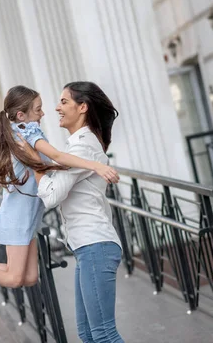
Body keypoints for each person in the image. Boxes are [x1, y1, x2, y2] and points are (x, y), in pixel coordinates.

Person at [0, 85, 119, 310]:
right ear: (21, 115)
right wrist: (94, 164)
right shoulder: (28, 132)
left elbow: (51, 165)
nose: (43, 113)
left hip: (29, 215)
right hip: (18, 214)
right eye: (38, 109)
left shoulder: (21, 131)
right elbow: (57, 157)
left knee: (28, 278)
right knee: (15, 277)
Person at [27, 81, 125, 343]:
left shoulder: (83, 146)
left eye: (64, 102)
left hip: (95, 244)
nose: (57, 107)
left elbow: (51, 194)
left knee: (103, 334)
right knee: (89, 335)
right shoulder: (79, 146)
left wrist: (32, 161)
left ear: (83, 107)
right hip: (88, 247)